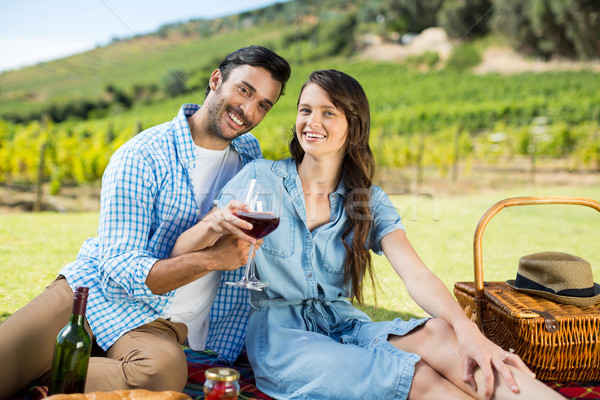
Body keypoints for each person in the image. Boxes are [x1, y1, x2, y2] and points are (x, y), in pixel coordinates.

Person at [172, 70, 565, 399]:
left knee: (444, 335)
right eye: (305, 110)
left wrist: (470, 332)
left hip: (346, 325)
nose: (313, 122)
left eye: (329, 113)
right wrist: (213, 223)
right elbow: (181, 252)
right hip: (283, 338)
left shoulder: (367, 199)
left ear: (353, 126)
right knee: (418, 377)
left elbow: (416, 275)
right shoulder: (259, 178)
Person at [0, 45, 290, 398]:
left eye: (263, 104)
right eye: (244, 90)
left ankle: (44, 385)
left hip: (154, 326)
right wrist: (213, 259)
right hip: (91, 300)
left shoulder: (250, 156)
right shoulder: (142, 156)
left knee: (163, 373)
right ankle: (51, 367)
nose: (248, 110)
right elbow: (121, 268)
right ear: (215, 80)